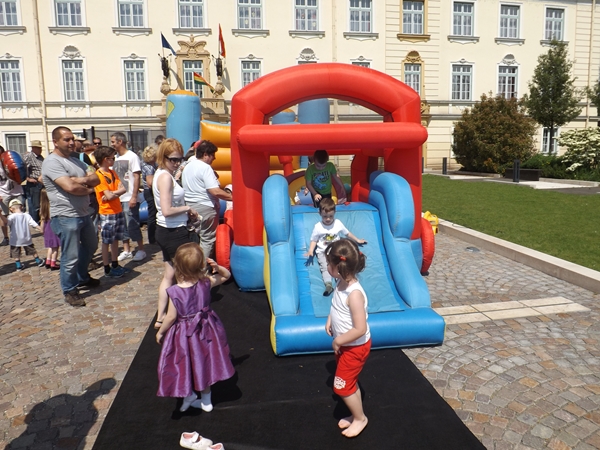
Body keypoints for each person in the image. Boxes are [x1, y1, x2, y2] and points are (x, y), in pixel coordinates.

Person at [156, 242, 234, 413]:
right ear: (201, 266)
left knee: (183, 363)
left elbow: (171, 317)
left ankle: (189, 394)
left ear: (177, 267)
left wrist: (161, 332)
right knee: (204, 361)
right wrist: (218, 267)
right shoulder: (206, 282)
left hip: (184, 334)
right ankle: (206, 401)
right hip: (206, 328)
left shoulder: (175, 292)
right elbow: (226, 276)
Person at [41, 126, 101, 307]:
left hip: (83, 213)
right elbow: (70, 187)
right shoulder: (52, 162)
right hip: (66, 216)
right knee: (70, 254)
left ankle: (82, 276)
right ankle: (70, 289)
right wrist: (88, 188)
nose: (71, 142)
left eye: (72, 139)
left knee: (91, 245)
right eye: (66, 139)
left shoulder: (76, 161)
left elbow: (96, 178)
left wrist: (80, 180)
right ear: (55, 142)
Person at [324, 238, 371, 438]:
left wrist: (338, 341)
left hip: (354, 347)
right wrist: (330, 319)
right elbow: (336, 306)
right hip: (345, 346)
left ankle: (360, 418)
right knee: (349, 382)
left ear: (339, 267)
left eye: (329, 263)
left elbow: (360, 328)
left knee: (341, 387)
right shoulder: (341, 282)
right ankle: (355, 413)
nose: (326, 266)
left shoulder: (354, 294)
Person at [153, 138, 200, 328]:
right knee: (184, 276)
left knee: (169, 274)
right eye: (173, 159)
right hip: (173, 231)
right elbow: (166, 210)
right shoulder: (165, 177)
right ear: (163, 157)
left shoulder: (162, 174)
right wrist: (188, 208)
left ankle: (161, 316)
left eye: (179, 159)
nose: (177, 163)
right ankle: (180, 315)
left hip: (166, 229)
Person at [304, 198, 366, 295]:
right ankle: (328, 284)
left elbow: (347, 233)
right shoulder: (318, 227)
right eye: (325, 216)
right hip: (323, 252)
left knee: (340, 265)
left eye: (330, 216)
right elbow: (314, 239)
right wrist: (311, 250)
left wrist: (357, 240)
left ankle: (344, 280)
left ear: (334, 213)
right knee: (325, 267)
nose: (328, 219)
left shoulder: (338, 223)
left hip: (336, 251)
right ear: (320, 214)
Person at [182, 140, 232, 259]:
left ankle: (192, 264)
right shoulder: (205, 168)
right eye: (212, 155)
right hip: (205, 206)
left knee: (195, 238)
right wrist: (233, 197)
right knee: (207, 239)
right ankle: (202, 267)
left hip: (191, 206)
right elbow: (214, 191)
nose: (214, 158)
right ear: (205, 154)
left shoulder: (188, 167)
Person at [93, 146, 129, 278]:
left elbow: (123, 188)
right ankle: (107, 268)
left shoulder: (112, 172)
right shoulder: (99, 176)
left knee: (116, 239)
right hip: (107, 212)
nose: (114, 160)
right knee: (106, 241)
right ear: (105, 159)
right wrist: (112, 194)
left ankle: (115, 264)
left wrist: (112, 194)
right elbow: (108, 196)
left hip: (117, 209)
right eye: (112, 158)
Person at [111, 132, 146, 262]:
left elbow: (136, 176)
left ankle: (141, 249)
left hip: (129, 196)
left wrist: (134, 196)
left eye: (113, 141)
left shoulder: (132, 156)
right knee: (122, 225)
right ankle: (126, 250)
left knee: (132, 223)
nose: (112, 144)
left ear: (120, 142)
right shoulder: (115, 157)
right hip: (118, 196)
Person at [2, 198, 45, 271]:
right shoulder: (26, 215)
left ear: (11, 209)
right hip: (26, 237)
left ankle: (18, 265)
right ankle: (38, 261)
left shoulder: (12, 216)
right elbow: (33, 223)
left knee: (15, 252)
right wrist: (40, 228)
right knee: (31, 249)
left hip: (15, 239)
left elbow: (6, 222)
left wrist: (1, 215)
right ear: (22, 207)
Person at [0, 145, 25, 246]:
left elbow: (22, 171)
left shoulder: (11, 160)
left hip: (17, 191)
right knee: (4, 216)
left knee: (19, 215)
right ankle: (6, 238)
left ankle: (19, 235)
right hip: (3, 193)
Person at [23, 140, 45, 223]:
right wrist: (28, 178)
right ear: (33, 148)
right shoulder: (28, 156)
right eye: (38, 148)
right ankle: (34, 222)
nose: (40, 150)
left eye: (40, 148)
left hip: (41, 183)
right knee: (34, 204)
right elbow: (22, 168)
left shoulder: (40, 157)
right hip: (34, 183)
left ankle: (39, 221)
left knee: (40, 203)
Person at [39, 188, 60, 270]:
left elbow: (42, 220)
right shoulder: (52, 207)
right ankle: (53, 263)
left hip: (47, 229)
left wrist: (42, 229)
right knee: (55, 247)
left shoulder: (43, 208)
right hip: (53, 228)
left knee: (50, 247)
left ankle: (48, 261)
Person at [141, 145, 158, 245]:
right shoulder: (149, 167)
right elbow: (150, 183)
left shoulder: (152, 165)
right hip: (149, 192)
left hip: (150, 192)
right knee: (152, 214)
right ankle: (152, 238)